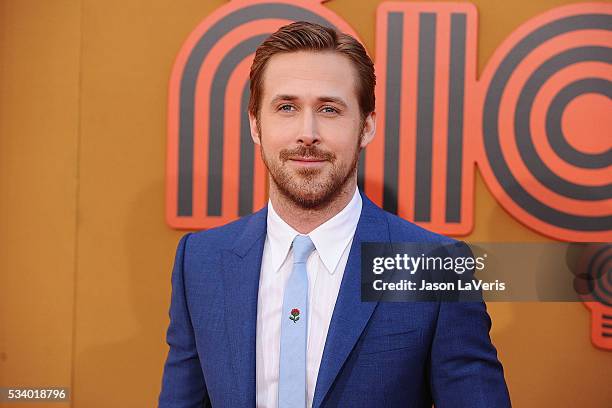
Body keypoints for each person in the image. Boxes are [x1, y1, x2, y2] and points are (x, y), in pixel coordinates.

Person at [159, 21, 510, 408]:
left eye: (329, 109)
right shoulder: (201, 261)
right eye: (287, 107)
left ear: (367, 127)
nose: (307, 133)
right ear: (256, 125)